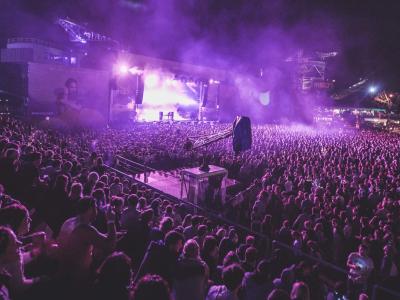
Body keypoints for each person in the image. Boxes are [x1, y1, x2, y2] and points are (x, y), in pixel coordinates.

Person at [57, 196, 116, 284]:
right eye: (95, 207)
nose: (97, 211)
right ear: (90, 209)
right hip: (76, 278)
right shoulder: (84, 229)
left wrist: (113, 234)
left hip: (62, 270)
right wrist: (111, 221)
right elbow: (110, 245)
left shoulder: (69, 221)